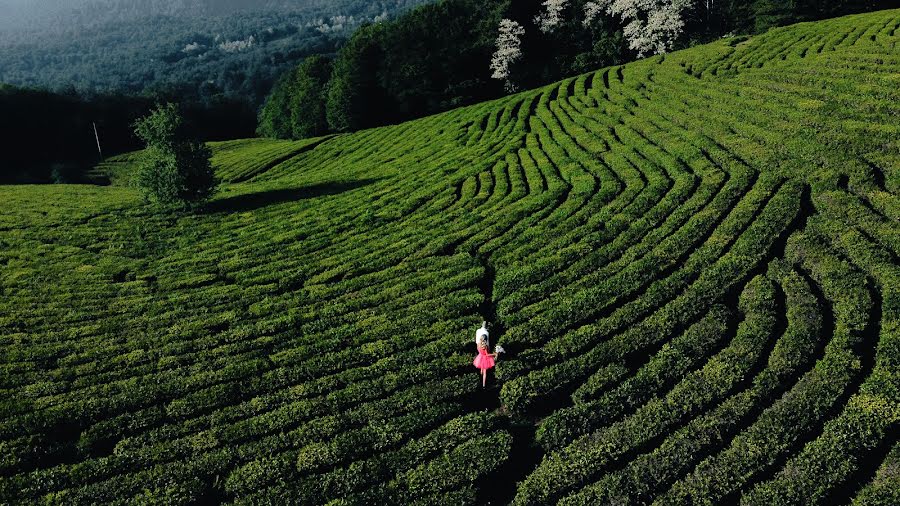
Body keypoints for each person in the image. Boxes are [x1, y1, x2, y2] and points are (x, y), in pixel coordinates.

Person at [473, 321, 499, 388]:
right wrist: (494, 354)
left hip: (480, 356)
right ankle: (484, 385)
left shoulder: (479, 344)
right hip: (484, 357)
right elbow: (487, 355)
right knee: (485, 372)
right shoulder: (485, 346)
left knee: (481, 367)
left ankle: (480, 376)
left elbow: (477, 347)